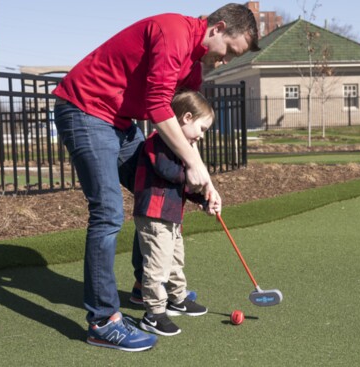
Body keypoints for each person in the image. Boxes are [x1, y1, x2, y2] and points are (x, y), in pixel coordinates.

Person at [52, 3, 259, 352]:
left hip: (118, 121)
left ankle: (146, 284)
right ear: (219, 28)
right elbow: (158, 106)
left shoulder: (193, 67)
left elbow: (182, 128)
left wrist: (203, 181)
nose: (224, 61)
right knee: (108, 212)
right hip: (85, 109)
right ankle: (102, 321)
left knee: (156, 187)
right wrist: (195, 165)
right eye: (229, 53)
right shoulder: (173, 32)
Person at [134, 90, 219, 336]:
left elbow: (182, 186)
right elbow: (168, 173)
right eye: (201, 129)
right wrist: (195, 176)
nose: (201, 137)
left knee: (175, 260)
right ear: (187, 117)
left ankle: (177, 298)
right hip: (153, 215)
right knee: (157, 266)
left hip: (171, 216)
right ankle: (154, 313)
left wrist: (202, 199)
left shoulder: (184, 151)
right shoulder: (157, 140)